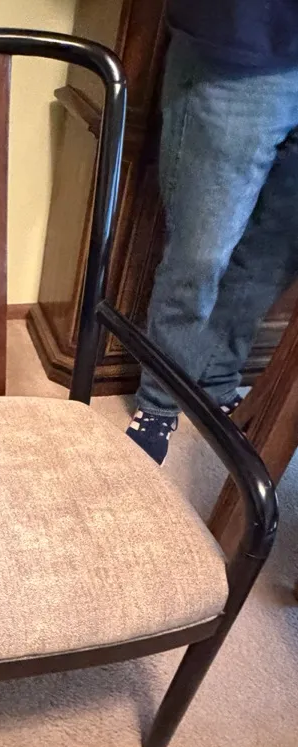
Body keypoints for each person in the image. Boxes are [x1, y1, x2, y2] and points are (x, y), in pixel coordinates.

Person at [126, 0, 298, 464]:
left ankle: (217, 381)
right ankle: (159, 403)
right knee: (199, 253)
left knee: (275, 258)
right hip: (238, 48)